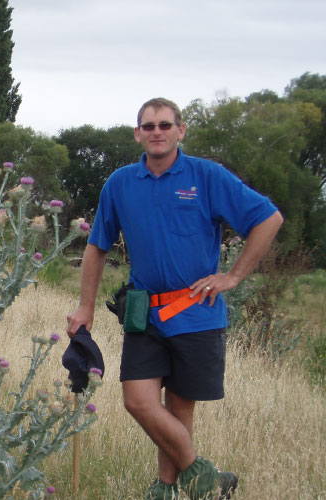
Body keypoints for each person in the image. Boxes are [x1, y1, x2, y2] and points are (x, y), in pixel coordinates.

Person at [66, 98, 283, 500]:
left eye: (165, 125)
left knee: (180, 410)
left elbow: (268, 218)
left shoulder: (206, 176)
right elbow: (96, 246)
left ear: (181, 131)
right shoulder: (120, 183)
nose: (157, 132)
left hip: (197, 314)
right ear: (138, 134)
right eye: (148, 126)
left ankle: (164, 489)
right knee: (138, 401)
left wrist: (233, 276)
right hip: (144, 313)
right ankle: (207, 479)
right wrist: (86, 306)